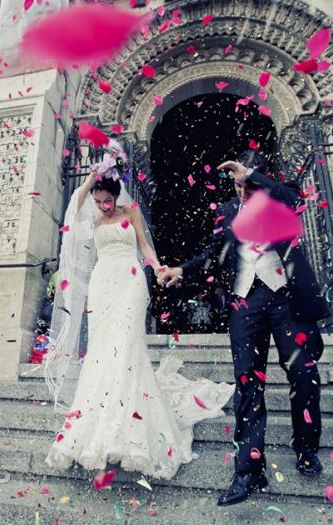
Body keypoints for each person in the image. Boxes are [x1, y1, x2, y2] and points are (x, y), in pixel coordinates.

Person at [43, 141, 234, 480]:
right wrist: (91, 178)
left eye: (107, 200)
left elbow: (145, 247)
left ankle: (132, 425)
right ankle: (97, 425)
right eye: (99, 201)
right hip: (103, 284)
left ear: (118, 195)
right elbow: (73, 213)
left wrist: (160, 269)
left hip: (130, 282)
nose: (103, 206)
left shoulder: (129, 213)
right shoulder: (90, 215)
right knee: (102, 350)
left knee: (128, 346)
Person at [159, 150, 331, 506]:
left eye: (246, 184)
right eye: (237, 186)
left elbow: (297, 201)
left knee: (302, 373)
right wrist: (181, 270)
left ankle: (306, 447)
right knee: (248, 384)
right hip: (245, 303)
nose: (241, 192)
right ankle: (249, 472)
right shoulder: (226, 212)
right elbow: (214, 252)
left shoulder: (280, 198)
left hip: (288, 300)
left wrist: (254, 177)